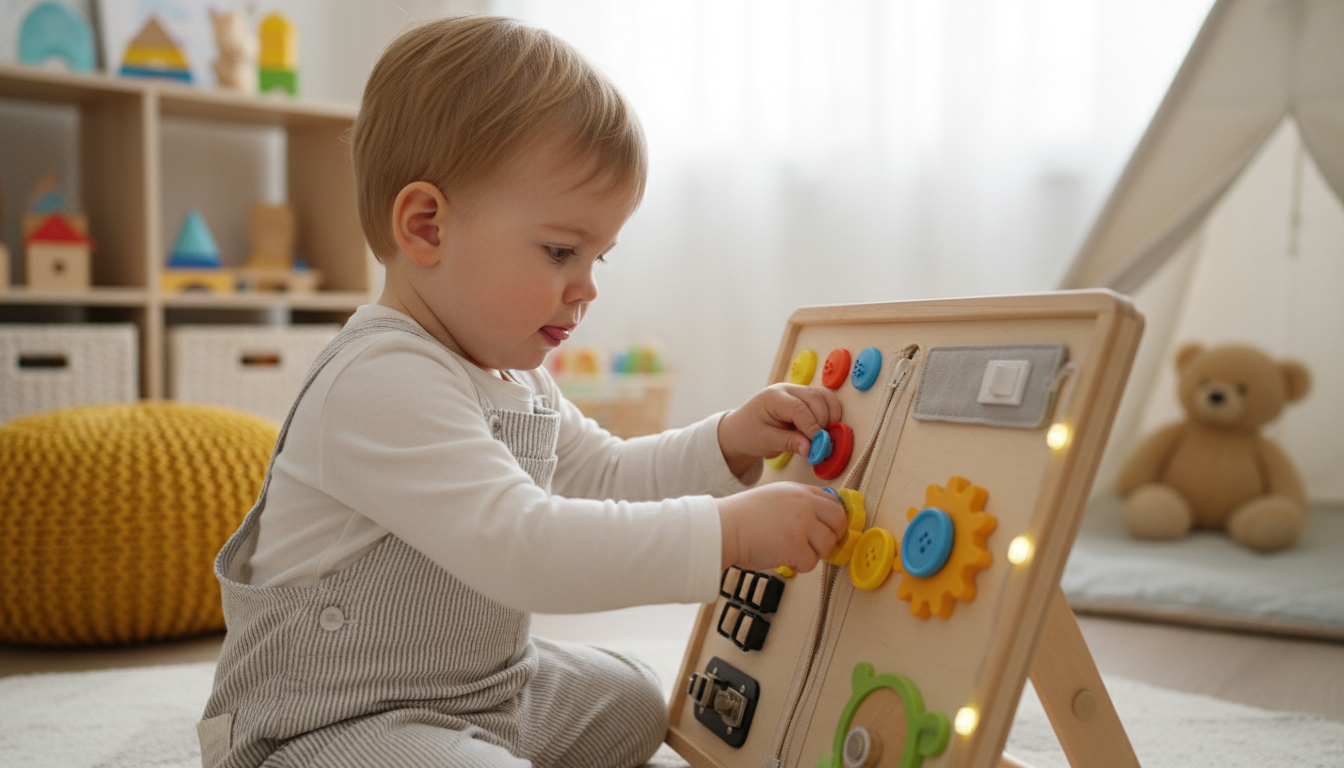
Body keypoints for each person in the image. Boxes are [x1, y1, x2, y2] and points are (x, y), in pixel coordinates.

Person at [199, 15, 847, 768]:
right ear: (426, 227)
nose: (588, 287)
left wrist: (726, 442)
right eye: (562, 250)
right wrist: (725, 534)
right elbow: (526, 547)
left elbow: (606, 476)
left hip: (483, 691)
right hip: (327, 724)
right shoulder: (378, 379)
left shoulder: (517, 380)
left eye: (600, 255)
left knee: (638, 703)